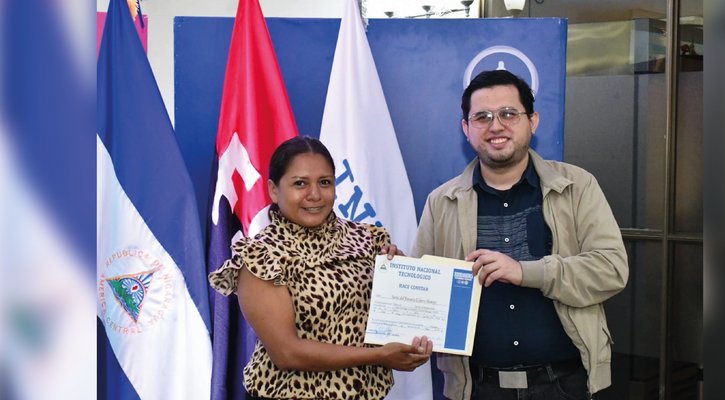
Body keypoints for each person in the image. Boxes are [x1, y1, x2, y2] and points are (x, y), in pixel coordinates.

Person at [412, 70, 628, 400]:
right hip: (477, 388)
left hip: (564, 385)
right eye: (481, 117)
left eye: (509, 114)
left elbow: (611, 270)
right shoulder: (441, 202)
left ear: (533, 121)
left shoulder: (577, 187)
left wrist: (526, 272)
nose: (495, 126)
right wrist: (399, 276)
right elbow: (421, 296)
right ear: (466, 129)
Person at [209, 136, 433, 399]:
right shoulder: (262, 255)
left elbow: (386, 314)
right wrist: (380, 355)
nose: (314, 194)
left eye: (324, 182)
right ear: (273, 190)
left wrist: (399, 276)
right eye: (300, 183)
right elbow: (287, 353)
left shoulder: (368, 238)